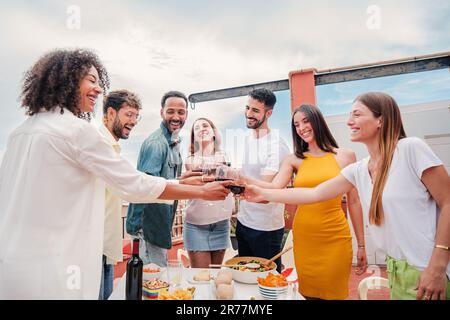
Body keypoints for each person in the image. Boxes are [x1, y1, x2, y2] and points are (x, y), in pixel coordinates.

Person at [0, 49, 230, 299]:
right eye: (91, 80)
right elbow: (133, 185)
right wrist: (202, 191)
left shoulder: (19, 133)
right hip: (55, 270)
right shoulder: (75, 131)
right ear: (67, 79)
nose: (99, 90)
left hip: (12, 266)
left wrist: (181, 183)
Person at [244, 92, 450, 300]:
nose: (349, 121)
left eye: (357, 115)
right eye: (350, 115)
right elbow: (314, 193)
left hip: (426, 267)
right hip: (395, 266)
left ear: (381, 120)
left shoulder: (410, 149)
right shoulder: (361, 169)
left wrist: (438, 266)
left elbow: (448, 201)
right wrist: (258, 190)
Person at [239, 104, 367, 299]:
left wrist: (362, 245)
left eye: (306, 121)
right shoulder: (294, 159)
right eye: (297, 124)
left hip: (335, 238)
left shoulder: (345, 156)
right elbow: (274, 187)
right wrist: (241, 178)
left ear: (318, 121)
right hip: (305, 237)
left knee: (335, 294)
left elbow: (354, 201)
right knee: (307, 294)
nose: (301, 128)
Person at [126, 91, 198, 267]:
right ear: (161, 113)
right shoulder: (156, 144)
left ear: (186, 115)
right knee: (153, 283)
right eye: (170, 111)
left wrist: (185, 180)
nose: (176, 116)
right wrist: (200, 191)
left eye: (181, 112)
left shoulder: (172, 143)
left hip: (159, 227)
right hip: (148, 228)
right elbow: (149, 188)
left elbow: (167, 180)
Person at [236, 88, 290, 273]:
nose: (249, 114)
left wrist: (238, 180)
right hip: (244, 223)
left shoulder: (276, 145)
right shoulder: (248, 139)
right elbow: (249, 178)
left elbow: (267, 193)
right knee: (245, 279)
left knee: (268, 282)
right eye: (247, 108)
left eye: (255, 111)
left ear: (269, 113)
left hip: (265, 229)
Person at [98, 89, 143, 300]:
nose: (134, 121)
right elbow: (133, 185)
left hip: (104, 247)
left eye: (136, 116)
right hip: (95, 247)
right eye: (129, 114)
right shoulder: (99, 144)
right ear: (111, 113)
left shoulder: (111, 146)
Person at [183, 118, 234, 268]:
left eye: (205, 125)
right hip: (196, 225)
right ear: (194, 137)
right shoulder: (191, 160)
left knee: (215, 275)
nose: (201, 129)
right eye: (196, 128)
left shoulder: (225, 156)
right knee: (202, 277)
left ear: (214, 132)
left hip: (221, 223)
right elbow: (200, 168)